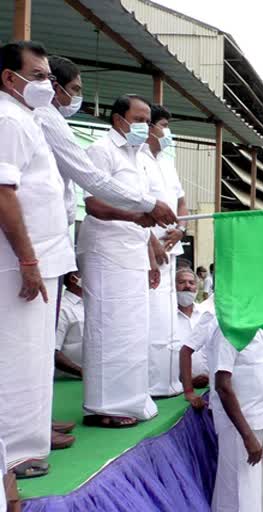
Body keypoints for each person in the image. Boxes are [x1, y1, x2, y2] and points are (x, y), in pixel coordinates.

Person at [0, 41, 77, 479]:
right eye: (40, 75)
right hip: (19, 263)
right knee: (15, 355)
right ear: (10, 78)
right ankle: (11, 454)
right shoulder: (6, 120)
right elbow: (4, 193)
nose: (49, 84)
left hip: (40, 259)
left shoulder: (24, 118)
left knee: (32, 356)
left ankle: (30, 438)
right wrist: (28, 261)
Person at [77, 94, 161, 429]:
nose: (145, 127)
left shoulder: (139, 157)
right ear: (118, 120)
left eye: (147, 121)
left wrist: (152, 255)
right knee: (107, 329)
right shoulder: (101, 150)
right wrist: (132, 217)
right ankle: (101, 406)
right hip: (105, 251)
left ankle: (130, 399)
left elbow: (145, 217)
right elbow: (93, 204)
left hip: (133, 251)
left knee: (131, 331)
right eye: (139, 119)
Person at [35, 56, 176, 229]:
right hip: (100, 243)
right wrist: (150, 205)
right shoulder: (47, 116)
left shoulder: (140, 155)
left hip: (132, 241)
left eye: (147, 122)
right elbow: (92, 180)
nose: (77, 97)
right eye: (75, 89)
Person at [145, 104, 189, 398]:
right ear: (149, 127)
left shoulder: (168, 164)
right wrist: (152, 241)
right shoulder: (138, 160)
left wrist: (181, 229)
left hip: (172, 244)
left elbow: (181, 203)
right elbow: (134, 205)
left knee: (168, 321)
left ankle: (169, 381)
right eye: (163, 124)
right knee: (151, 318)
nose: (167, 131)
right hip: (149, 246)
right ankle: (149, 385)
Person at [212, 328, 263, 512]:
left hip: (261, 421)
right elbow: (223, 386)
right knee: (240, 494)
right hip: (241, 428)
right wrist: (247, 436)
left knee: (257, 493)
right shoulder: (228, 331)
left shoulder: (261, 332)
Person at [55, 270, 84, 379]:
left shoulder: (94, 306)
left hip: (93, 381)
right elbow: (53, 352)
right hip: (66, 381)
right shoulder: (61, 308)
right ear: (74, 279)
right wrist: (83, 373)